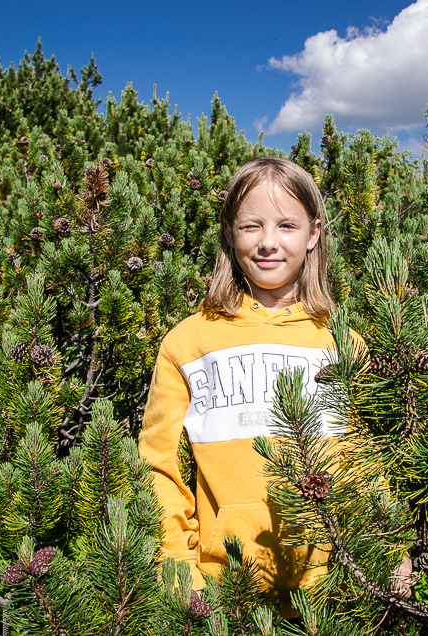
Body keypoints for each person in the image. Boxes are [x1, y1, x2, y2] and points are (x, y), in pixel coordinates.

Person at [138, 156, 347, 611]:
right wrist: (177, 568)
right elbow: (159, 468)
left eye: (287, 226)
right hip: (222, 594)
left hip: (336, 595)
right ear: (230, 233)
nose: (269, 243)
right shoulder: (188, 342)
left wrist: (387, 555)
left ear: (313, 234)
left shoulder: (343, 343)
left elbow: (367, 462)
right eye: (252, 226)